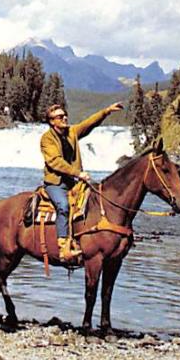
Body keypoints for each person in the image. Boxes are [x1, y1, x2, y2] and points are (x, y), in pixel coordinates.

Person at [40, 102, 123, 262]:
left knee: (96, 200)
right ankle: (63, 245)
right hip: (55, 183)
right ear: (52, 121)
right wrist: (78, 173)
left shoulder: (71, 132)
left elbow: (89, 123)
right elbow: (55, 162)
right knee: (63, 206)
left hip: (73, 182)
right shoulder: (47, 139)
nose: (64, 118)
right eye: (60, 116)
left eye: (65, 115)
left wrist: (106, 111)